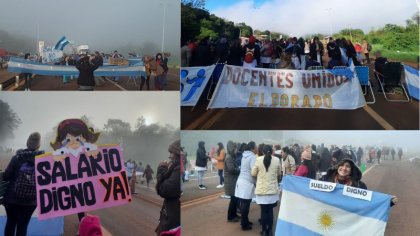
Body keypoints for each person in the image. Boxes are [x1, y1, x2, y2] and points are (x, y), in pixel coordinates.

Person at [3, 132, 44, 236]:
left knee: (10, 224)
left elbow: (6, 176)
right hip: (30, 202)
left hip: (12, 199)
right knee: (23, 226)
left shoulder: (17, 157)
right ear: (38, 145)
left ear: (27, 143)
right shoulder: (43, 160)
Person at [251, 145, 281, 236]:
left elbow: (253, 173)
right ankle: (270, 231)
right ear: (272, 151)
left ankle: (264, 231)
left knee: (264, 211)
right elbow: (279, 174)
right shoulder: (277, 160)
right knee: (270, 211)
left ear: (263, 152)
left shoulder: (258, 159)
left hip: (262, 190)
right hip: (272, 190)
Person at [155, 140, 181, 236]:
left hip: (173, 221)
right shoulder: (176, 167)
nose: (170, 156)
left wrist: (161, 169)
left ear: (177, 153)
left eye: (171, 153)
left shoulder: (179, 169)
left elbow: (164, 190)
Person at [235, 141, 257, 231]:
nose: (256, 148)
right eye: (255, 147)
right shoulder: (252, 156)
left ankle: (245, 221)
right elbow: (253, 171)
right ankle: (244, 224)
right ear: (252, 148)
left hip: (241, 180)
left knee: (244, 203)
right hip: (247, 182)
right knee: (246, 204)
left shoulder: (244, 155)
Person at [224, 141, 241, 222]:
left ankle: (234, 214)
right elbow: (231, 169)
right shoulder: (228, 157)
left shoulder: (231, 156)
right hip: (231, 182)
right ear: (231, 148)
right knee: (233, 200)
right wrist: (239, 169)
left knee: (235, 200)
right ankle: (230, 217)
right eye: (234, 148)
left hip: (233, 181)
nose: (236, 150)